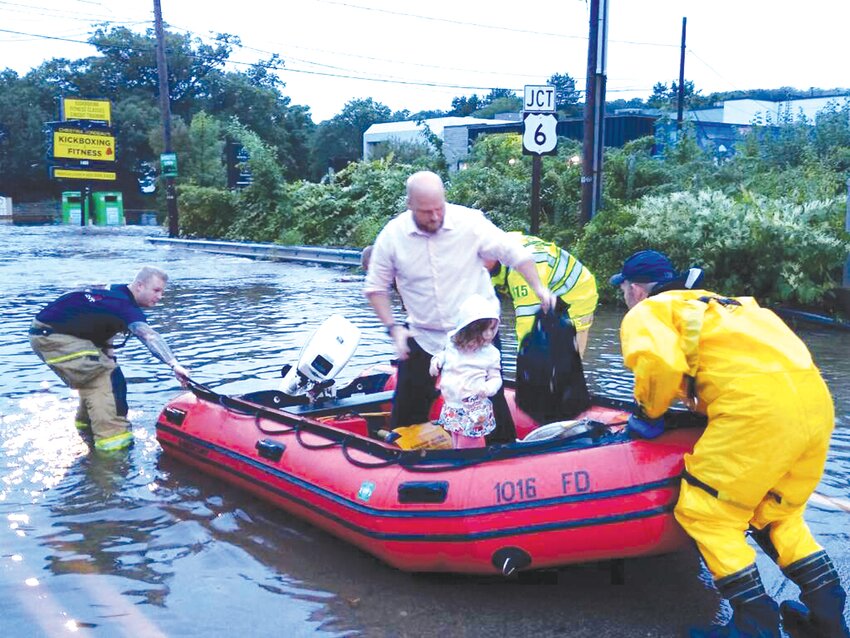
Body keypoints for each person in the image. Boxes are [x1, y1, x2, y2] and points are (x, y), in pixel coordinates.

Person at [611, 249, 849, 638]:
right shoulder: (731, 306)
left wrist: (648, 413)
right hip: (816, 408)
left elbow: (660, 364)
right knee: (777, 513)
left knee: (707, 513)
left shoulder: (648, 311)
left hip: (756, 412)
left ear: (635, 290)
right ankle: (828, 618)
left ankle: (753, 626)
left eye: (624, 291)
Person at [363, 170, 554, 441]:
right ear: (410, 205)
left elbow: (516, 254)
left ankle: (504, 457)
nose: (435, 216)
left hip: (476, 331)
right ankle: (403, 462)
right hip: (423, 332)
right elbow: (375, 287)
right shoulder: (393, 236)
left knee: (491, 400)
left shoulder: (470, 222)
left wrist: (539, 288)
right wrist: (393, 328)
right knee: (407, 406)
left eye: (439, 208)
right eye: (426, 211)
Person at [30, 266, 189, 452]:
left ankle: (86, 427)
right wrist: (174, 364)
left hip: (53, 332)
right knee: (104, 379)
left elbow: (101, 321)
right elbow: (149, 336)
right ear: (139, 286)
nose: (160, 296)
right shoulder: (125, 306)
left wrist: (109, 357)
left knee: (105, 373)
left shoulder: (115, 292)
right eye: (156, 290)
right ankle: (113, 446)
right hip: (54, 337)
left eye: (162, 291)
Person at [487, 232, 598, 357]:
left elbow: (528, 324)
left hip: (576, 295)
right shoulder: (494, 250)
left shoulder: (522, 268)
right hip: (548, 291)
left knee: (566, 362)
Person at [429, 294, 502, 449]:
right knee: (456, 439)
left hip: (473, 409)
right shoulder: (452, 345)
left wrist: (489, 388)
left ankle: (472, 468)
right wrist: (436, 361)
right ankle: (459, 465)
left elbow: (496, 377)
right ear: (469, 329)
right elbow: (444, 355)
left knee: (468, 444)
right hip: (452, 405)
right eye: (484, 329)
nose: (489, 334)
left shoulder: (490, 353)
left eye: (492, 328)